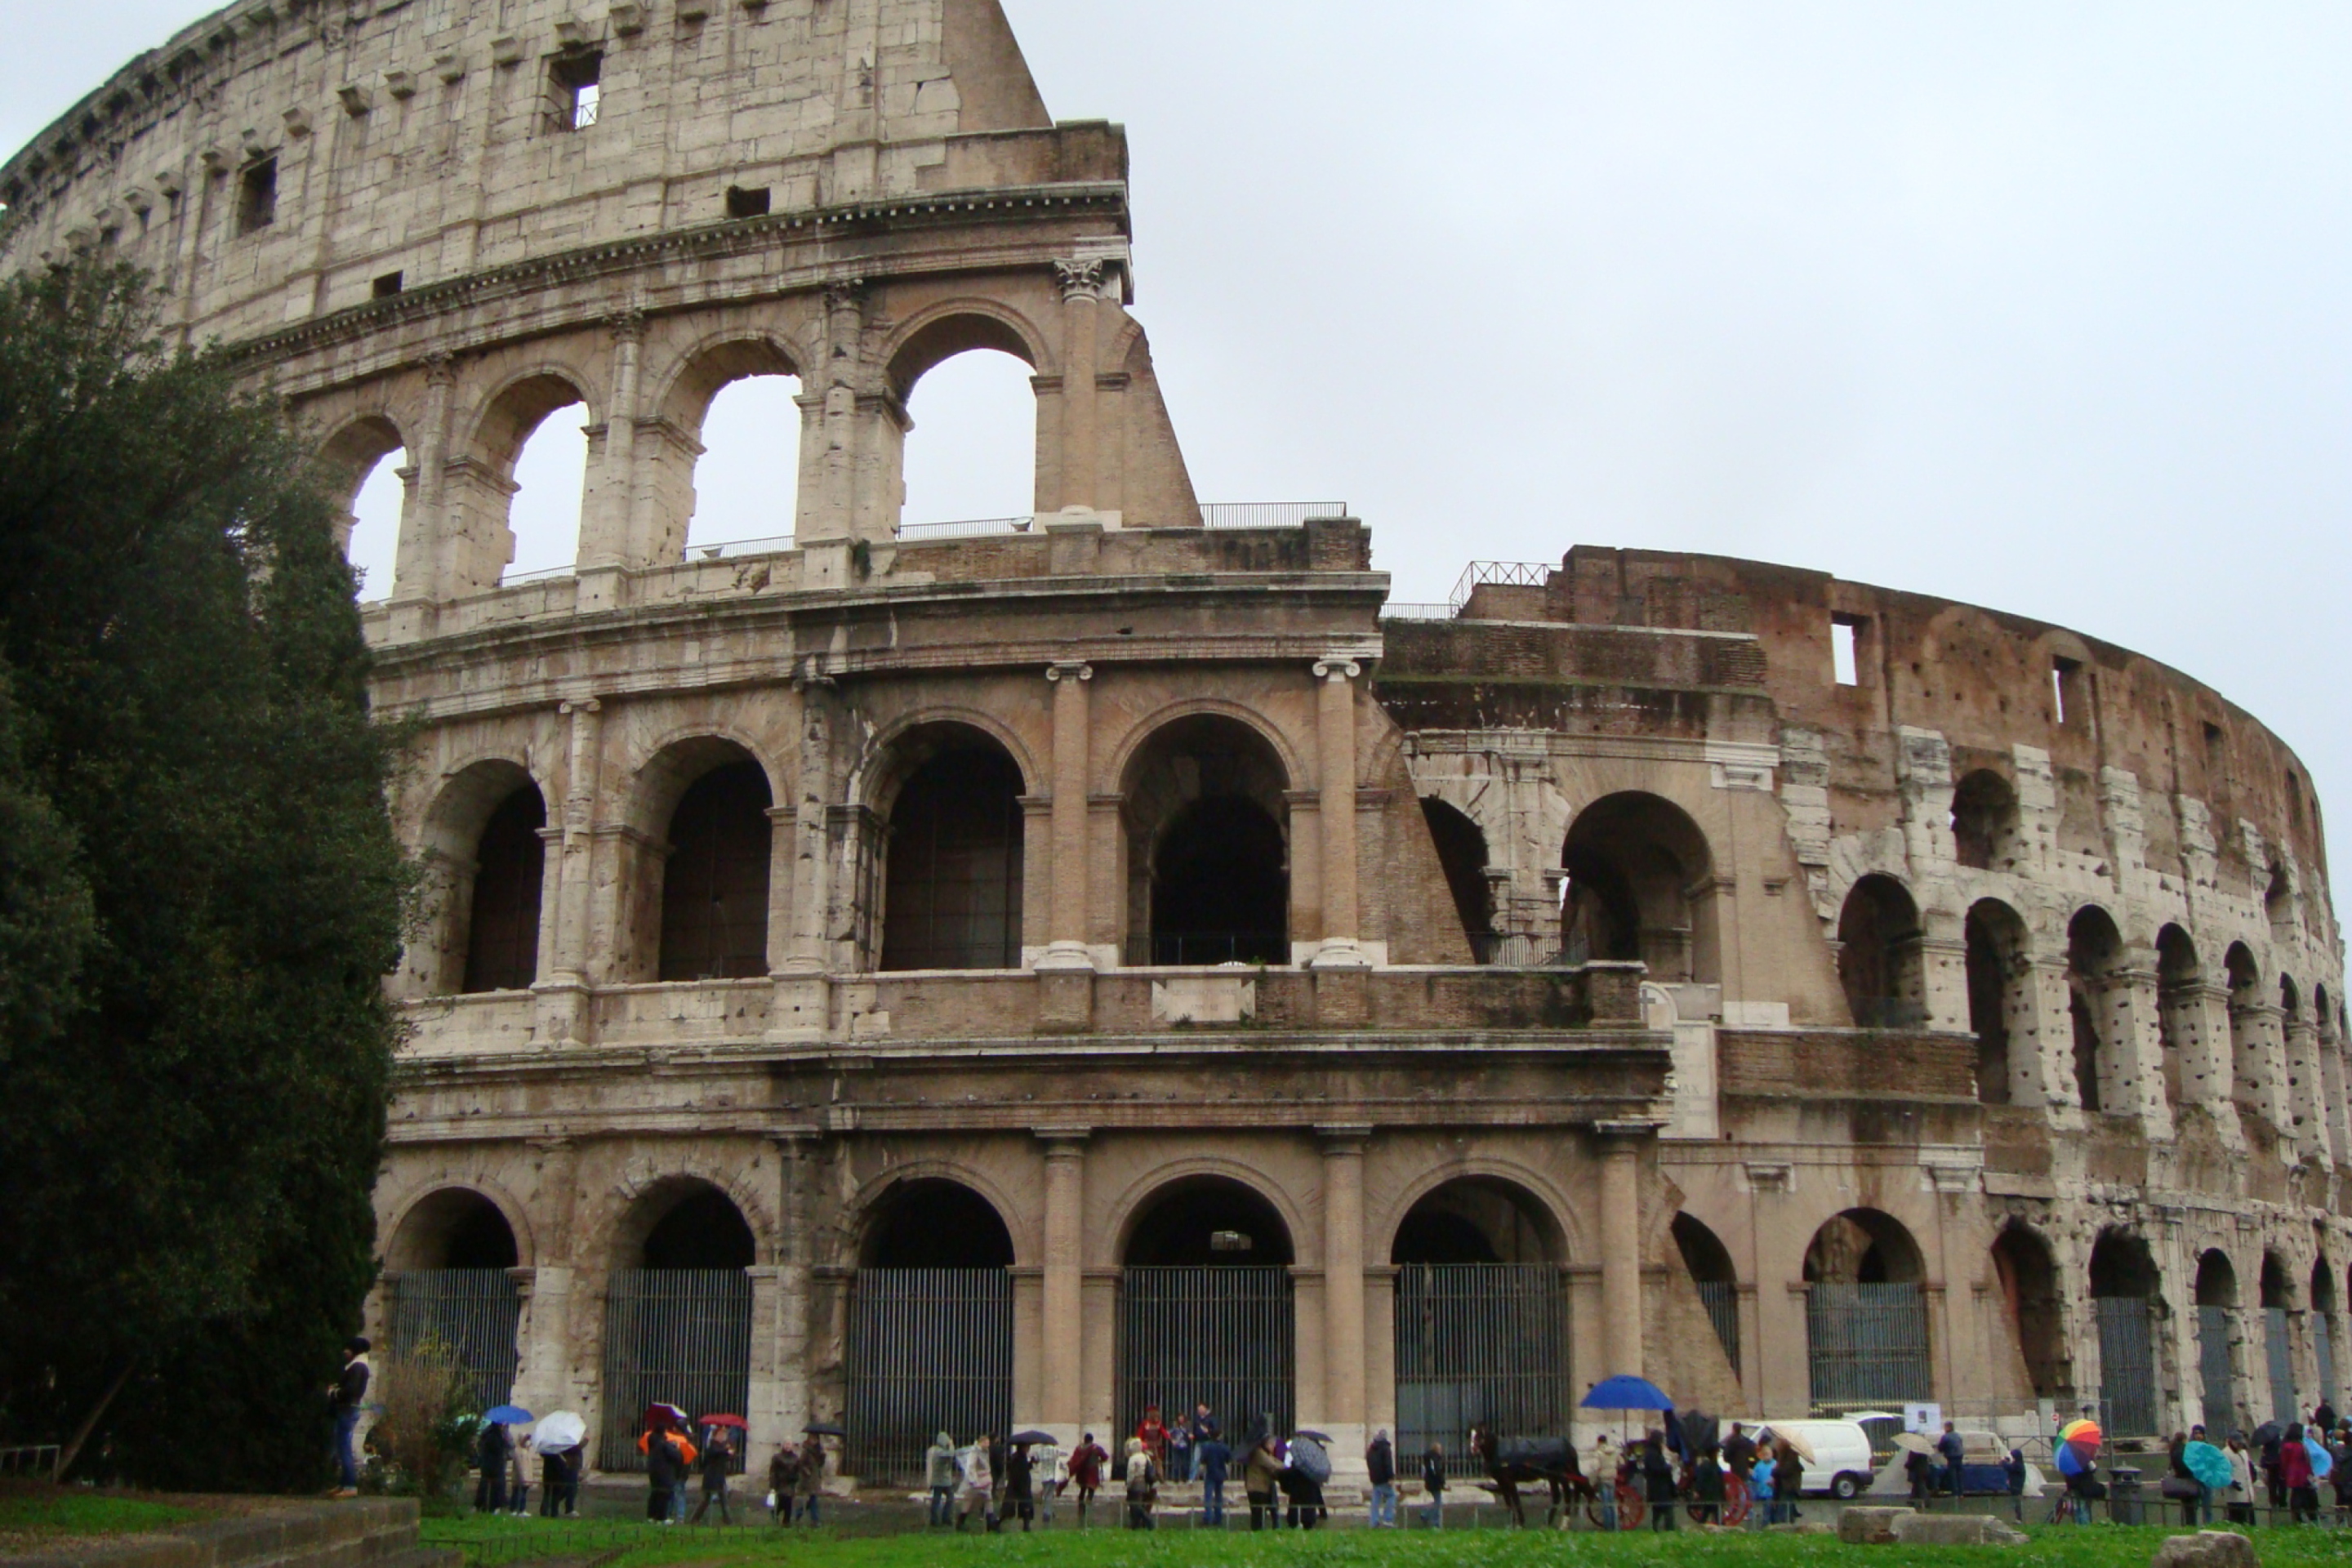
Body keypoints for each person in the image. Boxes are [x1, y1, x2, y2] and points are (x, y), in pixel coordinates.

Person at [328, 1338, 371, 1499]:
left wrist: (335, 1393)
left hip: (347, 1410)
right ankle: (343, 1484)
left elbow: (351, 1389)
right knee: (341, 1447)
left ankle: (350, 1485)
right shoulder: (360, 1366)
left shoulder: (357, 1366)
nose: (344, 1352)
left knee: (344, 1448)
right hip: (349, 1409)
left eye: (347, 1349)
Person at [689, 1427, 735, 1526]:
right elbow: (714, 1453)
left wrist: (729, 1453)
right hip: (711, 1476)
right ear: (716, 1436)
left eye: (724, 1435)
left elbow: (728, 1458)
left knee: (723, 1499)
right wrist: (726, 1451)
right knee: (706, 1500)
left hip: (719, 1477)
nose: (723, 1437)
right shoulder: (713, 1445)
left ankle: (728, 1520)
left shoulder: (723, 1447)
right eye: (721, 1434)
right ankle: (695, 1518)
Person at [645, 1422, 684, 1523]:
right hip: (665, 1473)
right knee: (664, 1494)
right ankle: (661, 1517)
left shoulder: (653, 1442)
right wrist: (676, 1448)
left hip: (654, 1472)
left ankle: (651, 1516)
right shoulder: (663, 1444)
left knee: (655, 1493)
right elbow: (676, 1456)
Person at [1641, 1431, 1678, 1530]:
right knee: (1667, 1511)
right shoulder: (1652, 1454)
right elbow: (1656, 1469)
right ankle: (1668, 1529)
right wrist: (1668, 1468)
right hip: (1660, 1487)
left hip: (1658, 1487)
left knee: (1658, 1511)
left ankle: (1656, 1529)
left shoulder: (1652, 1452)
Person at [956, 1433, 994, 1531]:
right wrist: (974, 1480)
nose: (988, 1444)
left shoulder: (986, 1452)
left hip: (986, 1481)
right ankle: (960, 1522)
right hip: (976, 1482)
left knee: (989, 1501)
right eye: (986, 1442)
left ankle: (991, 1522)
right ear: (981, 1442)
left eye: (988, 1442)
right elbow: (971, 1467)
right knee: (968, 1502)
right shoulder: (975, 1452)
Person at [1070, 1433, 1108, 1526]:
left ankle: (1081, 1508)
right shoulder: (1096, 1448)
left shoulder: (1079, 1448)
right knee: (1091, 1490)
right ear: (1092, 1440)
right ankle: (1088, 1506)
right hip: (1092, 1471)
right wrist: (1099, 1460)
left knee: (1082, 1490)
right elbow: (1105, 1457)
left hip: (1082, 1472)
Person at [2282, 1422, 2317, 1523]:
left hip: (2292, 1473)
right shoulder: (2300, 1446)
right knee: (2303, 1494)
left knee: (2296, 1494)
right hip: (2302, 1472)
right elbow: (2306, 1460)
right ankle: (2306, 1515)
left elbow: (2284, 1462)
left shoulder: (2287, 1446)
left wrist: (2284, 1473)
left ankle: (2297, 1516)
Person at [1246, 1437, 1284, 1530]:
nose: (1273, 1448)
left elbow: (1274, 1461)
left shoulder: (1265, 1453)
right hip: (1257, 1487)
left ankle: (1259, 1529)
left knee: (1261, 1511)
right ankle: (1257, 1530)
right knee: (1257, 1512)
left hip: (1262, 1487)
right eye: (1272, 1446)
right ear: (1268, 1444)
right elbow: (1272, 1464)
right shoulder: (1259, 1453)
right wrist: (1284, 1466)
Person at [474, 1419, 511, 1513]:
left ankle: (482, 1505)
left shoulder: (487, 1433)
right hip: (494, 1464)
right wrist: (504, 1442)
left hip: (487, 1464)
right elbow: (498, 1449)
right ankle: (493, 1506)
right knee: (496, 1486)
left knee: (485, 1484)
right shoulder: (495, 1436)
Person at [1196, 1429, 1231, 1527]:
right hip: (1220, 1473)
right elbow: (1228, 1459)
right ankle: (1218, 1517)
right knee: (1219, 1495)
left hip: (1210, 1472)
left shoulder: (1207, 1446)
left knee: (1208, 1496)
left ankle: (1208, 1517)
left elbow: (1203, 1460)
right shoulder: (1224, 1447)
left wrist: (1201, 1472)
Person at [1124, 1435, 1159, 1530]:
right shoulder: (1145, 1457)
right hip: (1144, 1484)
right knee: (1139, 1505)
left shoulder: (1133, 1459)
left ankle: (1148, 1523)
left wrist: (1128, 1484)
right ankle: (1136, 1525)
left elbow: (1131, 1474)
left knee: (1135, 1506)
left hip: (1136, 1484)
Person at [924, 1432, 957, 1526]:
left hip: (944, 1480)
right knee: (938, 1500)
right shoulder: (939, 1451)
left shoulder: (938, 1451)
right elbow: (951, 1454)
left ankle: (943, 1518)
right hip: (940, 1480)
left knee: (946, 1499)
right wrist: (952, 1445)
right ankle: (937, 1519)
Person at [1366, 1428, 1397, 1528]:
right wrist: (1391, 1477)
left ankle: (1373, 1521)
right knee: (1391, 1496)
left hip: (1375, 1478)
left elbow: (1369, 1464)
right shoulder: (1386, 1448)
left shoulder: (1371, 1449)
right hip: (1384, 1478)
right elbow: (1388, 1464)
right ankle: (1388, 1519)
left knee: (1375, 1500)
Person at [1589, 1432, 1621, 1530]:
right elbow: (1621, 1462)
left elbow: (1595, 1467)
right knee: (1612, 1503)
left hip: (1603, 1479)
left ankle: (1608, 1527)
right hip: (1612, 1479)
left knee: (1605, 1504)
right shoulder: (1615, 1451)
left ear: (1599, 1442)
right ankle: (1615, 1526)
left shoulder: (1598, 1453)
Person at [793, 1434, 826, 1527]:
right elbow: (800, 1464)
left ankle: (799, 1513)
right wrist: (806, 1471)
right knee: (813, 1499)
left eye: (816, 1439)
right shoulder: (806, 1451)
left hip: (815, 1479)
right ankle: (815, 1520)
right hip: (808, 1479)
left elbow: (820, 1465)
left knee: (811, 1500)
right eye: (813, 1439)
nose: (814, 1441)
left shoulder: (818, 1451)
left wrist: (823, 1456)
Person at [539, 1444, 577, 1517]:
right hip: (556, 1479)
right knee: (554, 1498)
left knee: (548, 1496)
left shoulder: (549, 1456)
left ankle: (546, 1511)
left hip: (549, 1478)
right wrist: (565, 1467)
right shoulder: (555, 1457)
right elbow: (560, 1468)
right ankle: (552, 1513)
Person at [1004, 1441, 1036, 1532]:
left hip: (1022, 1485)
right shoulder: (1018, 1457)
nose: (1028, 1449)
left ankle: (1026, 1526)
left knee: (1025, 1506)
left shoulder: (1021, 1457)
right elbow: (1020, 1471)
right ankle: (998, 1522)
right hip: (1020, 1485)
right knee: (1019, 1505)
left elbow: (1024, 1469)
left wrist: (1031, 1463)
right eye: (1027, 1447)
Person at [2226, 1434, 2256, 1526]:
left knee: (2250, 1519)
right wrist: (2231, 1481)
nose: (2240, 1446)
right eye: (2238, 1443)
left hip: (2247, 1491)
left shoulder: (2244, 1452)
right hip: (2235, 1492)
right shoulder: (2226, 1453)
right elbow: (2223, 1471)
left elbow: (2248, 1467)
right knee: (2237, 1519)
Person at [1772, 1437, 1804, 1525]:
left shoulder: (1792, 1456)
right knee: (1784, 1508)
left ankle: (1787, 1526)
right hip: (1782, 1486)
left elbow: (1786, 1471)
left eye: (1778, 1442)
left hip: (1789, 1487)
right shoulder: (1780, 1455)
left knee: (1785, 1510)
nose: (1776, 1444)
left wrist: (1775, 1471)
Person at [1690, 1446, 1724, 1525]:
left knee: (1706, 1513)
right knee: (1714, 1514)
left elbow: (1700, 1479)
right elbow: (1720, 1480)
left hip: (1709, 1494)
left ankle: (1701, 1526)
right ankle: (1721, 1526)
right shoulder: (1714, 1466)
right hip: (1714, 1494)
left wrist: (1697, 1490)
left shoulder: (1705, 1465)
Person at [767, 1442, 798, 1526]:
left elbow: (798, 1469)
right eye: (786, 1444)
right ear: (783, 1446)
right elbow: (773, 1471)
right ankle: (776, 1513)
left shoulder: (795, 1458)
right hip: (781, 1482)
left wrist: (797, 1479)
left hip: (791, 1482)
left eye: (789, 1444)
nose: (788, 1446)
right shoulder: (777, 1457)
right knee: (783, 1500)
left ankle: (786, 1521)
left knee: (789, 1502)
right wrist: (773, 1485)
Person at [1419, 1441, 1446, 1529]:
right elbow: (1436, 1472)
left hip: (1431, 1482)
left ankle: (1426, 1515)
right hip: (1434, 1483)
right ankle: (1434, 1521)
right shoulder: (1434, 1459)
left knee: (1437, 1502)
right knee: (1438, 1503)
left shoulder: (1430, 1458)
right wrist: (1442, 1482)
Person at [1938, 1422, 1966, 1499]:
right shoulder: (1958, 1435)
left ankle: (1955, 1494)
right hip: (1960, 1456)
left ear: (1948, 1428)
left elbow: (1941, 1447)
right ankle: (1961, 1493)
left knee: (1953, 1476)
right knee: (1959, 1475)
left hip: (1951, 1457)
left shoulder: (1946, 1437)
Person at [1137, 1405, 1169, 1471]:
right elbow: (1139, 1435)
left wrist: (1169, 1436)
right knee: (1147, 1461)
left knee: (1158, 1462)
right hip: (1147, 1446)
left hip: (1156, 1446)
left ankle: (1159, 1475)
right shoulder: (1145, 1424)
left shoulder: (1158, 1424)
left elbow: (1164, 1433)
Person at [1169, 1419, 1192, 1483]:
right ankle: (1176, 1478)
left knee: (1184, 1463)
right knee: (1176, 1463)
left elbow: (1190, 1435)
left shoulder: (1186, 1428)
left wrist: (1190, 1436)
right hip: (1176, 1447)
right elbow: (1168, 1433)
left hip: (1184, 1446)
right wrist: (1172, 1440)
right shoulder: (1174, 1428)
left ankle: (1184, 1478)